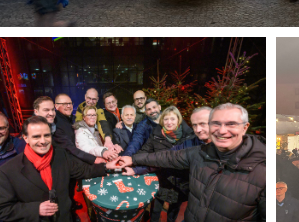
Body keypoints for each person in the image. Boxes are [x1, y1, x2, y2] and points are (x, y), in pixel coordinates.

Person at [109, 103, 265, 221]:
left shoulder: (265, 171)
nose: (222, 130)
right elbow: (164, 157)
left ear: (245, 127)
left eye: (231, 124)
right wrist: (132, 160)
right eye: (215, 124)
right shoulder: (197, 150)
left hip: (179, 189)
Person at [0, 116, 108, 222]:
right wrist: (35, 209)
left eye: (46, 135)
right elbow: (1, 209)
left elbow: (84, 170)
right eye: (36, 136)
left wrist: (108, 167)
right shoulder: (7, 171)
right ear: (25, 138)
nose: (43, 141)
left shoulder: (61, 155)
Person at [136, 106, 193, 221]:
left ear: (178, 119)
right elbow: (144, 151)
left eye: (172, 119)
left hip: (180, 181)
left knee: (173, 212)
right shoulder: (156, 135)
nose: (169, 122)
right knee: (156, 210)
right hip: (162, 179)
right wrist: (132, 160)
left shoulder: (189, 137)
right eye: (166, 119)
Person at [48, 94, 106, 166]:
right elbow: (70, 148)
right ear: (56, 106)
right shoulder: (56, 123)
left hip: (79, 158)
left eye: (70, 103)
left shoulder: (73, 119)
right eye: (65, 104)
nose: (69, 106)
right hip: (67, 163)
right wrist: (93, 159)